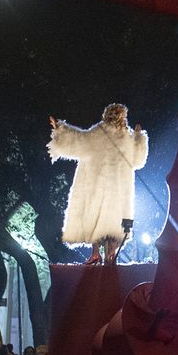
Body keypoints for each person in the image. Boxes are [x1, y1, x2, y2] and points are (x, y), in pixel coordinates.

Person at [47, 103, 150, 263]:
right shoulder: (128, 139)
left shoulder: (98, 134)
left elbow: (78, 141)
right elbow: (139, 160)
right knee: (117, 224)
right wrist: (139, 137)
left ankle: (95, 253)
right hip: (120, 192)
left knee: (95, 218)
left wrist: (61, 129)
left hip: (97, 189)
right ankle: (112, 254)